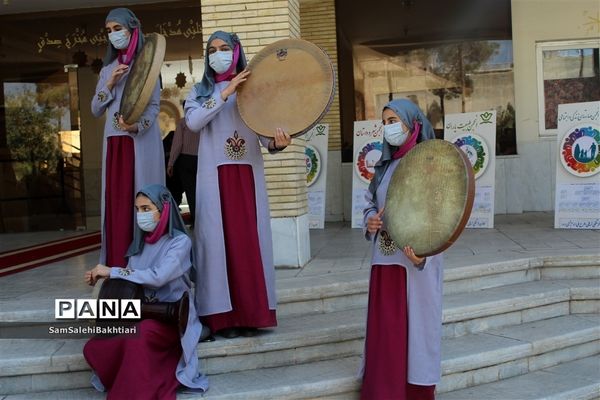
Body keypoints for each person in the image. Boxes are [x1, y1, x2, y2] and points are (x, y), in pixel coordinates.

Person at [184, 31, 291, 338]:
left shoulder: (253, 90)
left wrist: (278, 143)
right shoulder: (200, 91)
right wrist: (225, 91)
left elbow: (264, 135)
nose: (218, 54)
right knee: (217, 245)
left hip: (247, 177)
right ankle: (222, 319)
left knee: (248, 246)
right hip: (214, 178)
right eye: (212, 50)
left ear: (236, 51)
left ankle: (250, 315)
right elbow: (192, 123)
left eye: (224, 48)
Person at [83, 184, 208, 399]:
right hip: (140, 313)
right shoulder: (139, 245)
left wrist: (112, 271)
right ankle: (125, 378)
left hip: (171, 317)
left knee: (137, 338)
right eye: (138, 209)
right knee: (95, 346)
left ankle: (134, 392)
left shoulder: (179, 243)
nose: (141, 215)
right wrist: (106, 283)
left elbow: (158, 277)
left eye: (146, 209)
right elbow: (132, 281)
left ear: (164, 209)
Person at [361, 98, 443, 400]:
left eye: (393, 120)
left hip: (413, 261)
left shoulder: (430, 163)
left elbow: (442, 215)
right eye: (384, 123)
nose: (388, 128)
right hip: (384, 261)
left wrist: (425, 254)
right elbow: (370, 203)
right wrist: (370, 220)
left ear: (413, 124)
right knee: (387, 331)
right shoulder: (384, 165)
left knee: (414, 331)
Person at [91, 8, 165, 268]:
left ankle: (143, 266)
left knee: (141, 201)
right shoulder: (108, 69)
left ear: (132, 29)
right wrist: (109, 83)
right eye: (109, 31)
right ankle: (115, 266)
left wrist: (136, 127)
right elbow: (95, 108)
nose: (113, 35)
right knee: (117, 204)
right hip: (114, 146)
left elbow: (155, 107)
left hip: (138, 143)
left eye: (117, 29)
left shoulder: (147, 66)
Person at [168, 101, 200, 225]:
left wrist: (171, 163)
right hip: (202, 160)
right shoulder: (203, 122)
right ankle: (204, 221)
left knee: (190, 192)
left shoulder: (183, 122)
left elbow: (177, 144)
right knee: (203, 192)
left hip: (186, 161)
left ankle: (195, 220)